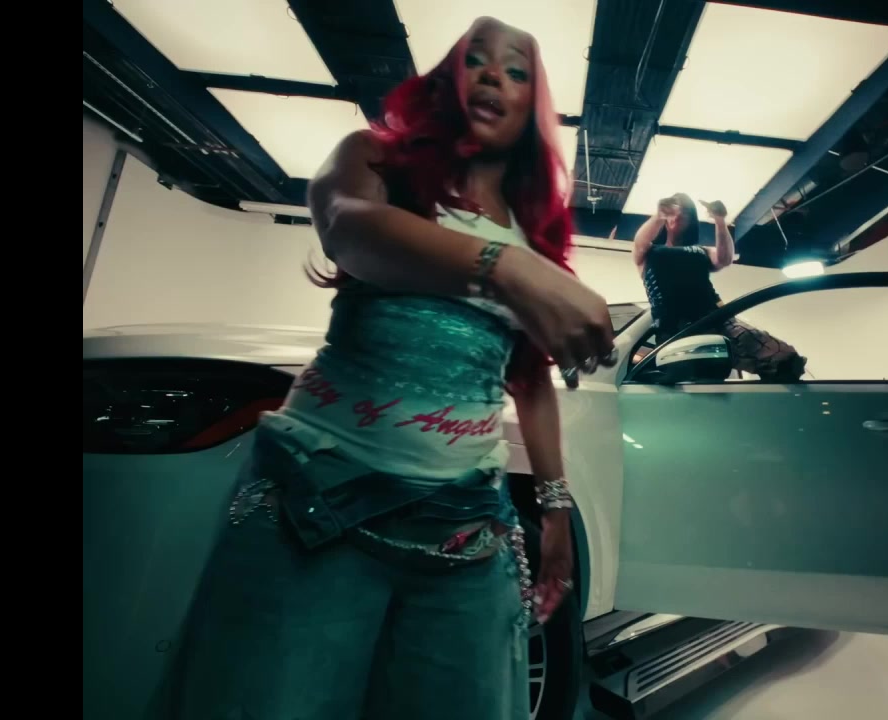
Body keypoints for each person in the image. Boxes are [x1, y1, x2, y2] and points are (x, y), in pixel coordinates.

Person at [162, 17, 615, 720]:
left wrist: (555, 509)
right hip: (316, 503)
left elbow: (528, 379)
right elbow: (346, 230)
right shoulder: (375, 159)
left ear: (533, 105)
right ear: (447, 79)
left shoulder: (534, 236)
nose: (493, 77)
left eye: (516, 71)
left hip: (467, 529)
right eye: (476, 60)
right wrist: (502, 268)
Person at [632, 193, 806, 381]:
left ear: (691, 219)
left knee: (784, 359)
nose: (677, 217)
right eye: (673, 211)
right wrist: (658, 215)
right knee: (688, 379)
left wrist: (720, 221)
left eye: (683, 213)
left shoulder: (702, 251)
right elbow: (640, 243)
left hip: (717, 320)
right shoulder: (649, 252)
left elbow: (724, 259)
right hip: (674, 330)